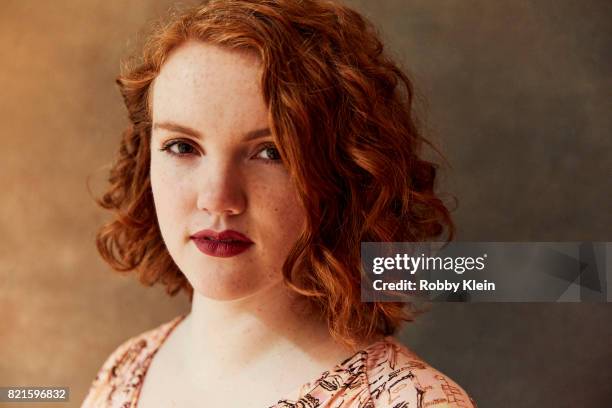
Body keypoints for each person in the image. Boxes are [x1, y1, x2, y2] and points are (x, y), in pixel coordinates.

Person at [82, 0, 476, 407]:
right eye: (182, 146)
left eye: (271, 153)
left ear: (347, 173)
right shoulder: (126, 369)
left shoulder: (412, 401)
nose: (218, 199)